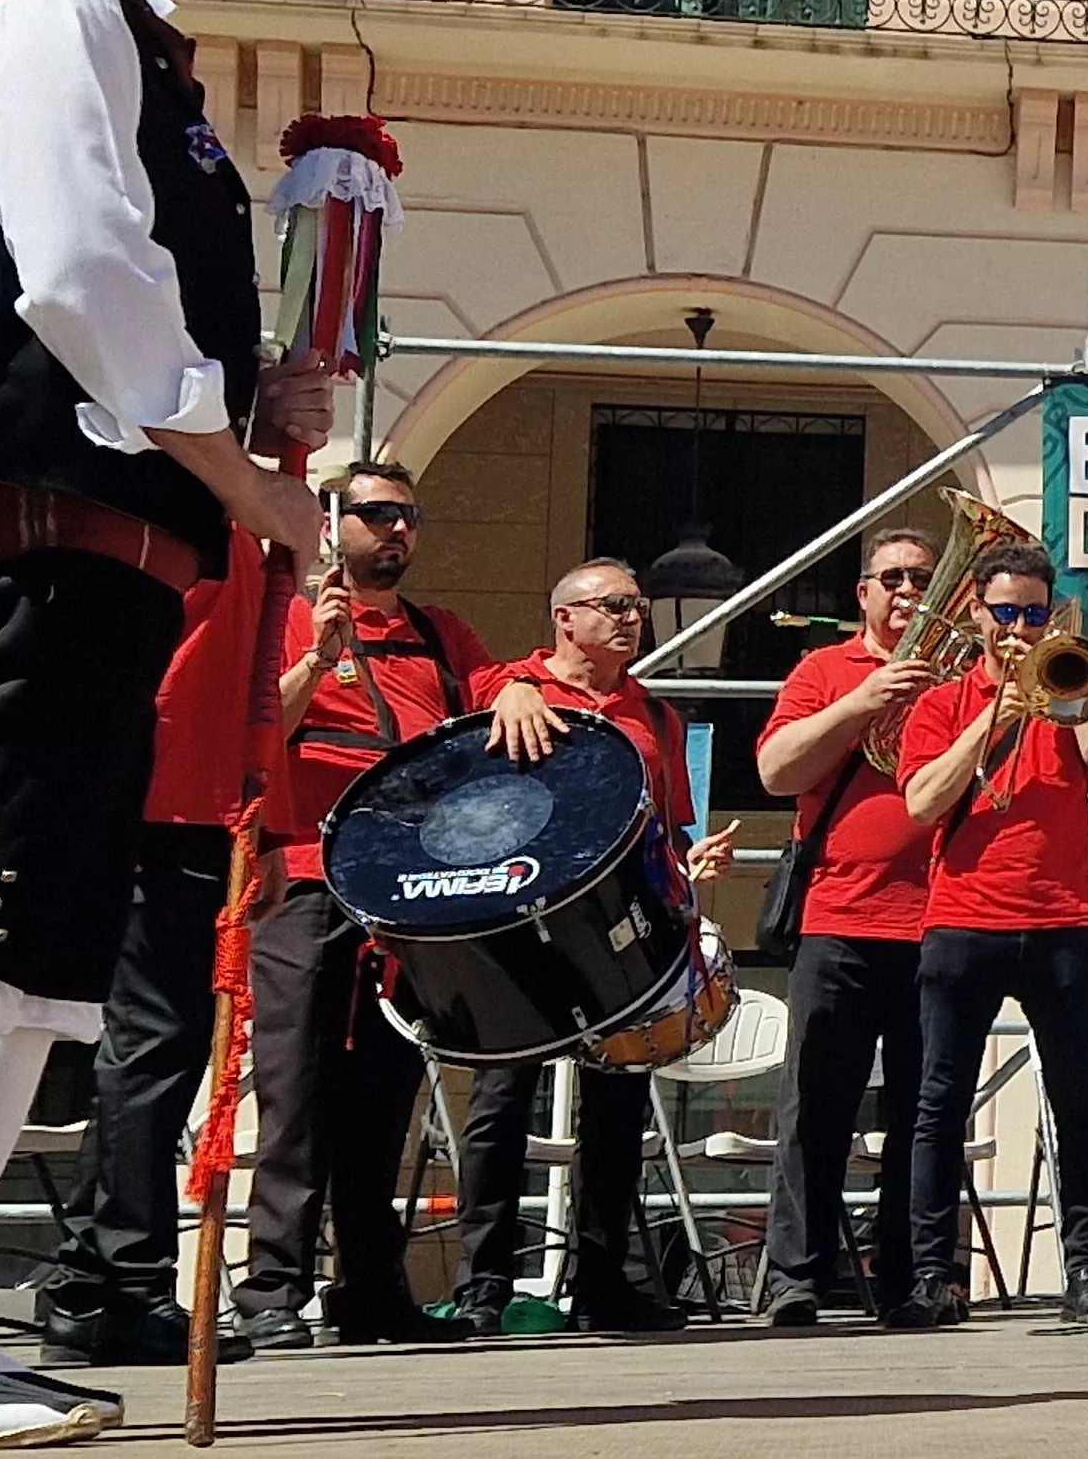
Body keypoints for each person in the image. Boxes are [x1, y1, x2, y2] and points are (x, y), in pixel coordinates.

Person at [0, 0, 334, 1450]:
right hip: (17, 529)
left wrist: (249, 387)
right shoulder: (46, 3)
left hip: (88, 540)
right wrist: (243, 474)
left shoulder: (107, 27)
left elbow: (125, 286)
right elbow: (77, 268)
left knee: (31, 945)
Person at [232, 463, 486, 1350]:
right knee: (294, 1086)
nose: (398, 530)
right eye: (378, 514)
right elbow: (255, 733)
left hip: (410, 891)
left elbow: (499, 705)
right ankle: (271, 1291)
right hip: (305, 876)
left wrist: (525, 685)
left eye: (410, 516)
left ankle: (372, 1288)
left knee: (387, 1095)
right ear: (333, 522)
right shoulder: (285, 616)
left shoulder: (441, 634)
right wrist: (317, 659)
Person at [452, 559, 727, 1337]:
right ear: (564, 619)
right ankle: (486, 1286)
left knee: (620, 1098)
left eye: (636, 606)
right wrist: (514, 685)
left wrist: (686, 886)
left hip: (616, 923)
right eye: (611, 605)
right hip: (517, 921)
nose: (630, 618)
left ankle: (604, 1282)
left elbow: (670, 823)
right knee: (503, 1100)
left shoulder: (656, 715)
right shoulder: (513, 686)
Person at [899, 541, 1088, 1327]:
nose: (1019, 629)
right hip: (964, 922)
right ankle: (935, 1275)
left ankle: (1084, 1273)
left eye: (1035, 614)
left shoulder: (1079, 684)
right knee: (941, 1101)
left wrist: (1068, 703)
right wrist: (992, 716)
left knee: (1078, 1101)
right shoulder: (940, 704)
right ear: (975, 612)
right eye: (1005, 613)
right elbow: (923, 805)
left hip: (1063, 922)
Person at [36, 572, 267, 1368]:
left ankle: (89, 1281)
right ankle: (128, 1284)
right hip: (166, 805)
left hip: (186, 806)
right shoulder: (210, 517)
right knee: (152, 1052)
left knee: (147, 1057)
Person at [749, 526, 946, 1329]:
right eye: (891, 578)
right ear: (862, 594)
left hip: (940, 923)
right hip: (840, 918)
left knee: (923, 1112)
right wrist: (864, 701)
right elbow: (774, 770)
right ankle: (795, 1276)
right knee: (815, 1108)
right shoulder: (823, 670)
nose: (906, 591)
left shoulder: (964, 674)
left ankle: (907, 1277)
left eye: (923, 578)